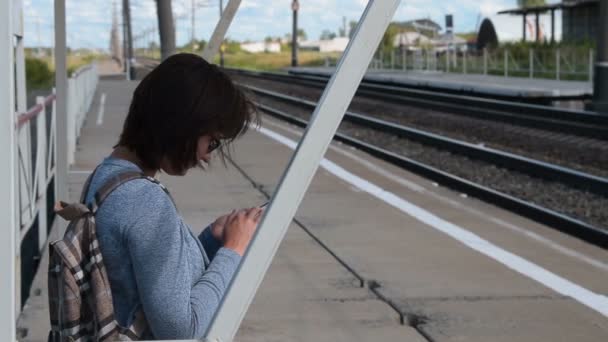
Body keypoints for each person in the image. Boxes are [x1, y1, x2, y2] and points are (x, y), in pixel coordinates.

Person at [82, 53, 260, 340]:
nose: (206, 156)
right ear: (181, 125)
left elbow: (143, 280)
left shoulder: (107, 177)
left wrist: (211, 241)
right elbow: (180, 329)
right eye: (211, 141)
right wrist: (233, 250)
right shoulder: (144, 201)